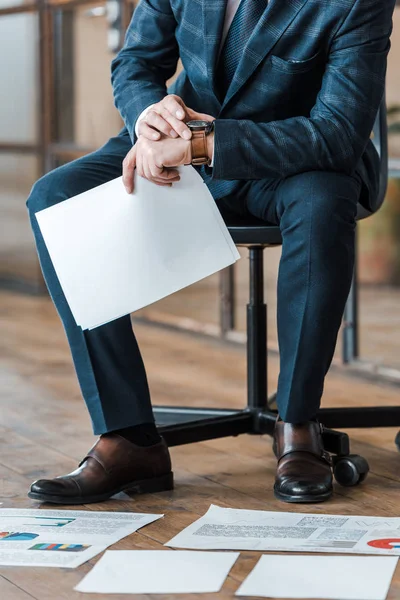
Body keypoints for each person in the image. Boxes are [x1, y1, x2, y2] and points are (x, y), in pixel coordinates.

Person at [26, 0, 395, 505]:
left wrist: (205, 144)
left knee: (321, 202)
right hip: (182, 147)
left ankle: (298, 424)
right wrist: (149, 117)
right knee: (55, 197)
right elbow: (136, 63)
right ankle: (129, 439)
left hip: (295, 159)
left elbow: (336, 134)